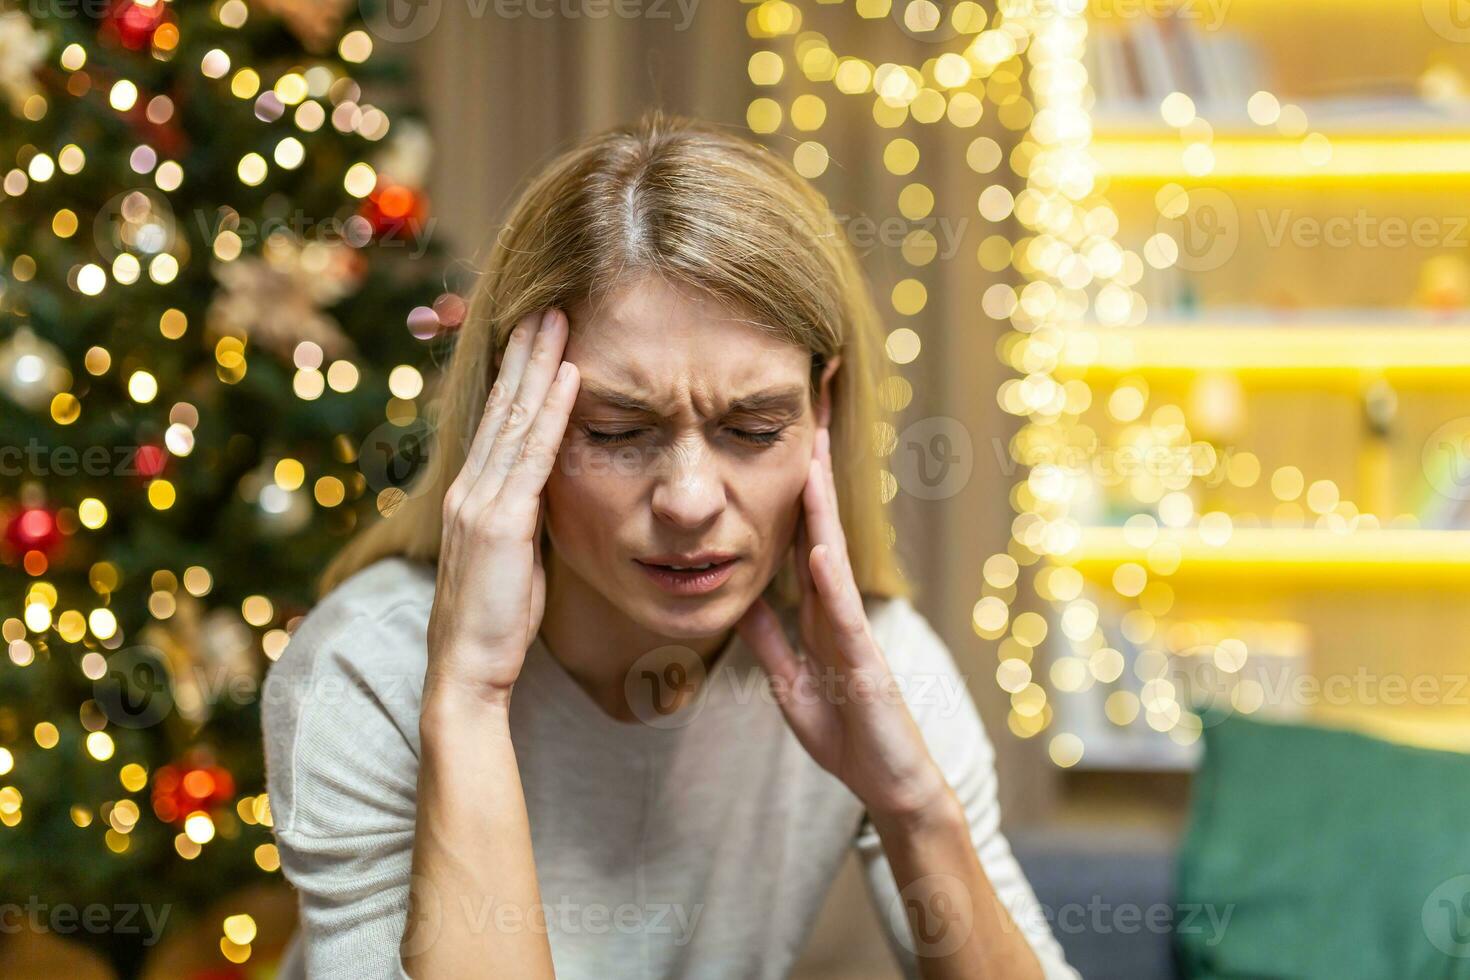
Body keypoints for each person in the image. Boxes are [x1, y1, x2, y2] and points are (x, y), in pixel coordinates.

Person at [262, 110, 1077, 980]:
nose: (689, 501)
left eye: (755, 428)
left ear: (821, 412)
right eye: (616, 432)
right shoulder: (362, 670)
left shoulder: (872, 666)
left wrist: (913, 807)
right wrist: (465, 699)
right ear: (513, 421)